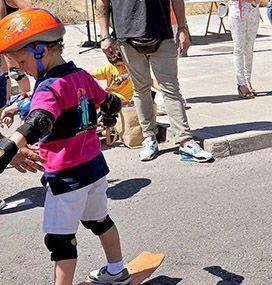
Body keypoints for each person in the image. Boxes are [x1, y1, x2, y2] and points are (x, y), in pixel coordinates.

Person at [0, 9, 131, 284]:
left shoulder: (48, 87)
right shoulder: (81, 75)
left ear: (40, 51)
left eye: (21, 61)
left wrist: (9, 147)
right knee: (100, 221)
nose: (20, 69)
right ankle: (117, 271)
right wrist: (108, 115)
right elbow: (111, 101)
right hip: (95, 169)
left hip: (66, 177)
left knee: (60, 241)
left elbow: (39, 122)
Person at [96, 0, 213, 162]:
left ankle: (185, 140)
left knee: (171, 89)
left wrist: (182, 27)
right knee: (140, 89)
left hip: (162, 33)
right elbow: (103, 3)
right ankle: (149, 139)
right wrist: (105, 35)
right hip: (127, 37)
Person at [229, 0, 261, 99]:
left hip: (253, 8)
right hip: (238, 10)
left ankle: (248, 80)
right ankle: (241, 83)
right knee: (239, 49)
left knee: (249, 48)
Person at [1, 0, 32, 99]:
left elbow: (29, 10)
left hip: (10, 39)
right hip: (2, 39)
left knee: (16, 73)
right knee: (4, 75)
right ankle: (6, 105)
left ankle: (27, 102)